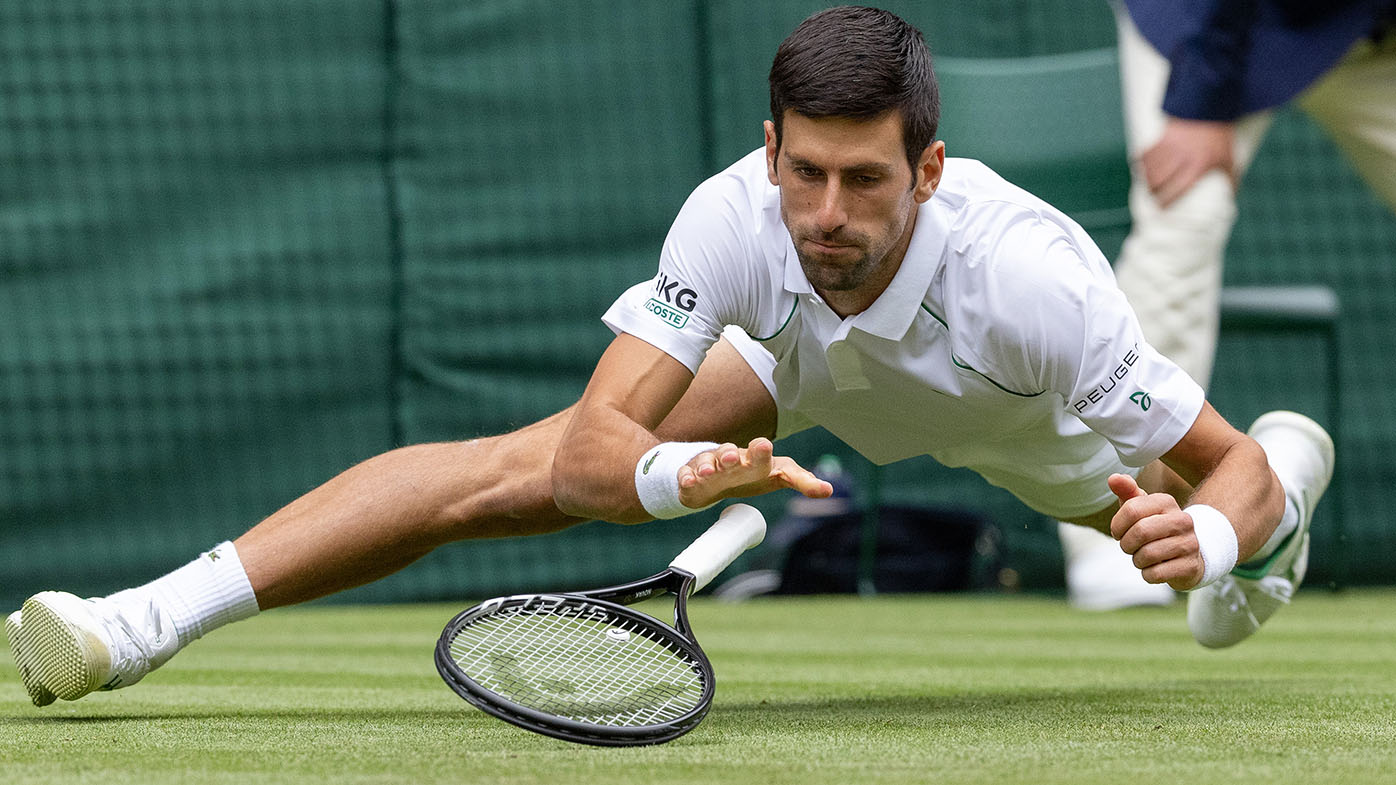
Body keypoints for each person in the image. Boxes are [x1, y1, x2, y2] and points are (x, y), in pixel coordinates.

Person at [7, 5, 1334, 708]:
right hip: (805, 367)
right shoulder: (739, 223)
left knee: (1226, 539)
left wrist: (1214, 537)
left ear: (929, 171)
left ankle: (1283, 516)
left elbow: (1212, 467)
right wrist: (676, 474)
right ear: (770, 151)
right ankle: (139, 625)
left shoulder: (1036, 278)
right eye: (802, 172)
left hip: (1027, 421)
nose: (827, 214)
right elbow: (593, 453)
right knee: (506, 473)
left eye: (865, 181)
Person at [1059, 0, 1394, 611]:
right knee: (1186, 215)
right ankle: (1125, 527)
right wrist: (1198, 100)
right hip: (1210, 22)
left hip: (1369, 31)